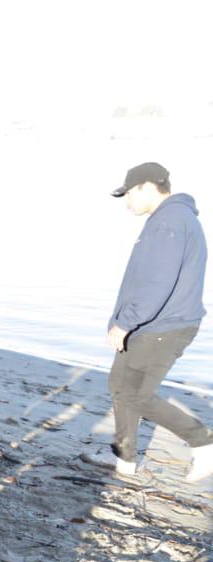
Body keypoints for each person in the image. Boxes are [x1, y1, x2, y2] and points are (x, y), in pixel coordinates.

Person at [87, 162, 212, 482]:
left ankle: (204, 443)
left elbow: (158, 282)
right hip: (152, 324)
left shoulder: (170, 221)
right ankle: (125, 460)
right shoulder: (170, 218)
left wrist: (125, 322)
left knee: (136, 395)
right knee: (119, 386)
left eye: (128, 194)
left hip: (163, 327)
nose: (127, 202)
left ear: (145, 186)